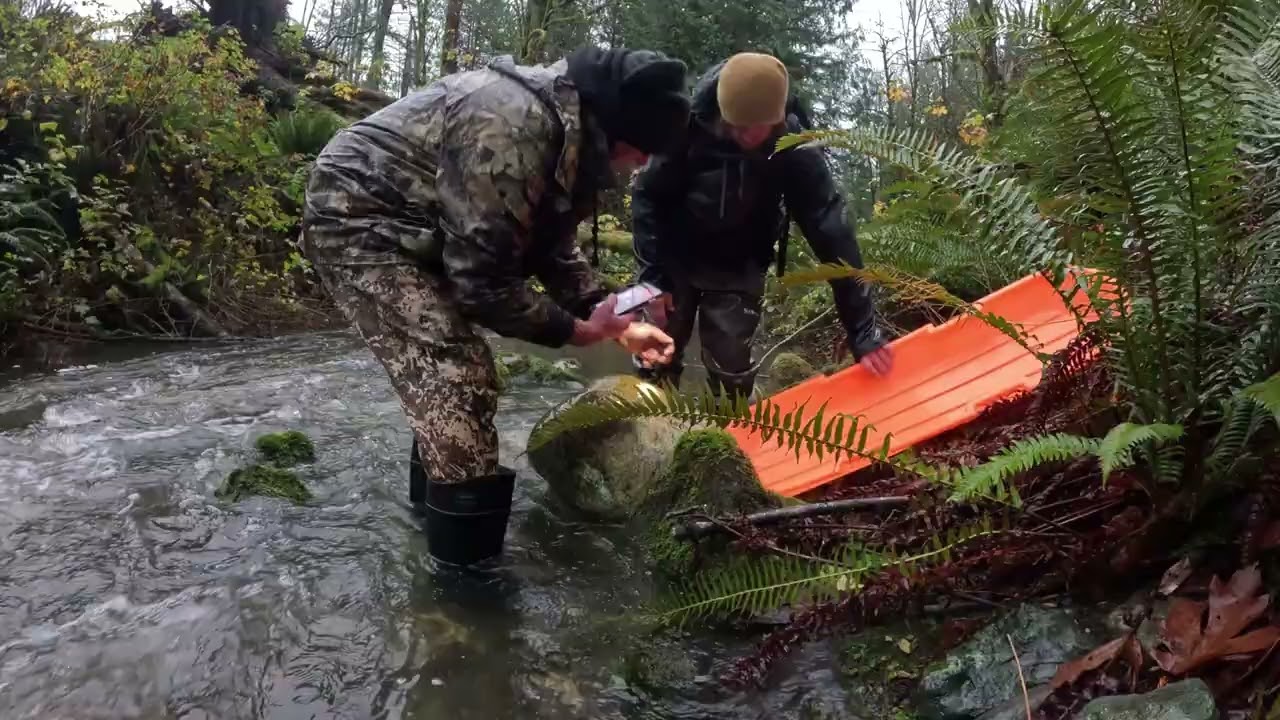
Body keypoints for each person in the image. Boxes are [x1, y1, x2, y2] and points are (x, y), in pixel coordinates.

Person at [299, 47, 690, 567]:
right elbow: (482, 284)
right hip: (358, 220)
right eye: (641, 151)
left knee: (451, 378)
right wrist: (576, 331)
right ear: (615, 131)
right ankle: (463, 583)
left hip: (426, 232)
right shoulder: (512, 125)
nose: (641, 165)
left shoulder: (569, 135)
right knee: (458, 375)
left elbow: (550, 246)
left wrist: (612, 319)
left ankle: (429, 519)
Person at [630, 52, 894, 400]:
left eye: (753, 128)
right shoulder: (685, 124)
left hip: (741, 259)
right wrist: (651, 280)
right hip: (672, 252)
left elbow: (831, 231)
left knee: (730, 367)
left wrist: (862, 331)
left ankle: (729, 438)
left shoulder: (796, 149)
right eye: (734, 125)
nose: (742, 134)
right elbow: (647, 195)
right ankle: (646, 432)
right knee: (654, 351)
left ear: (778, 119)